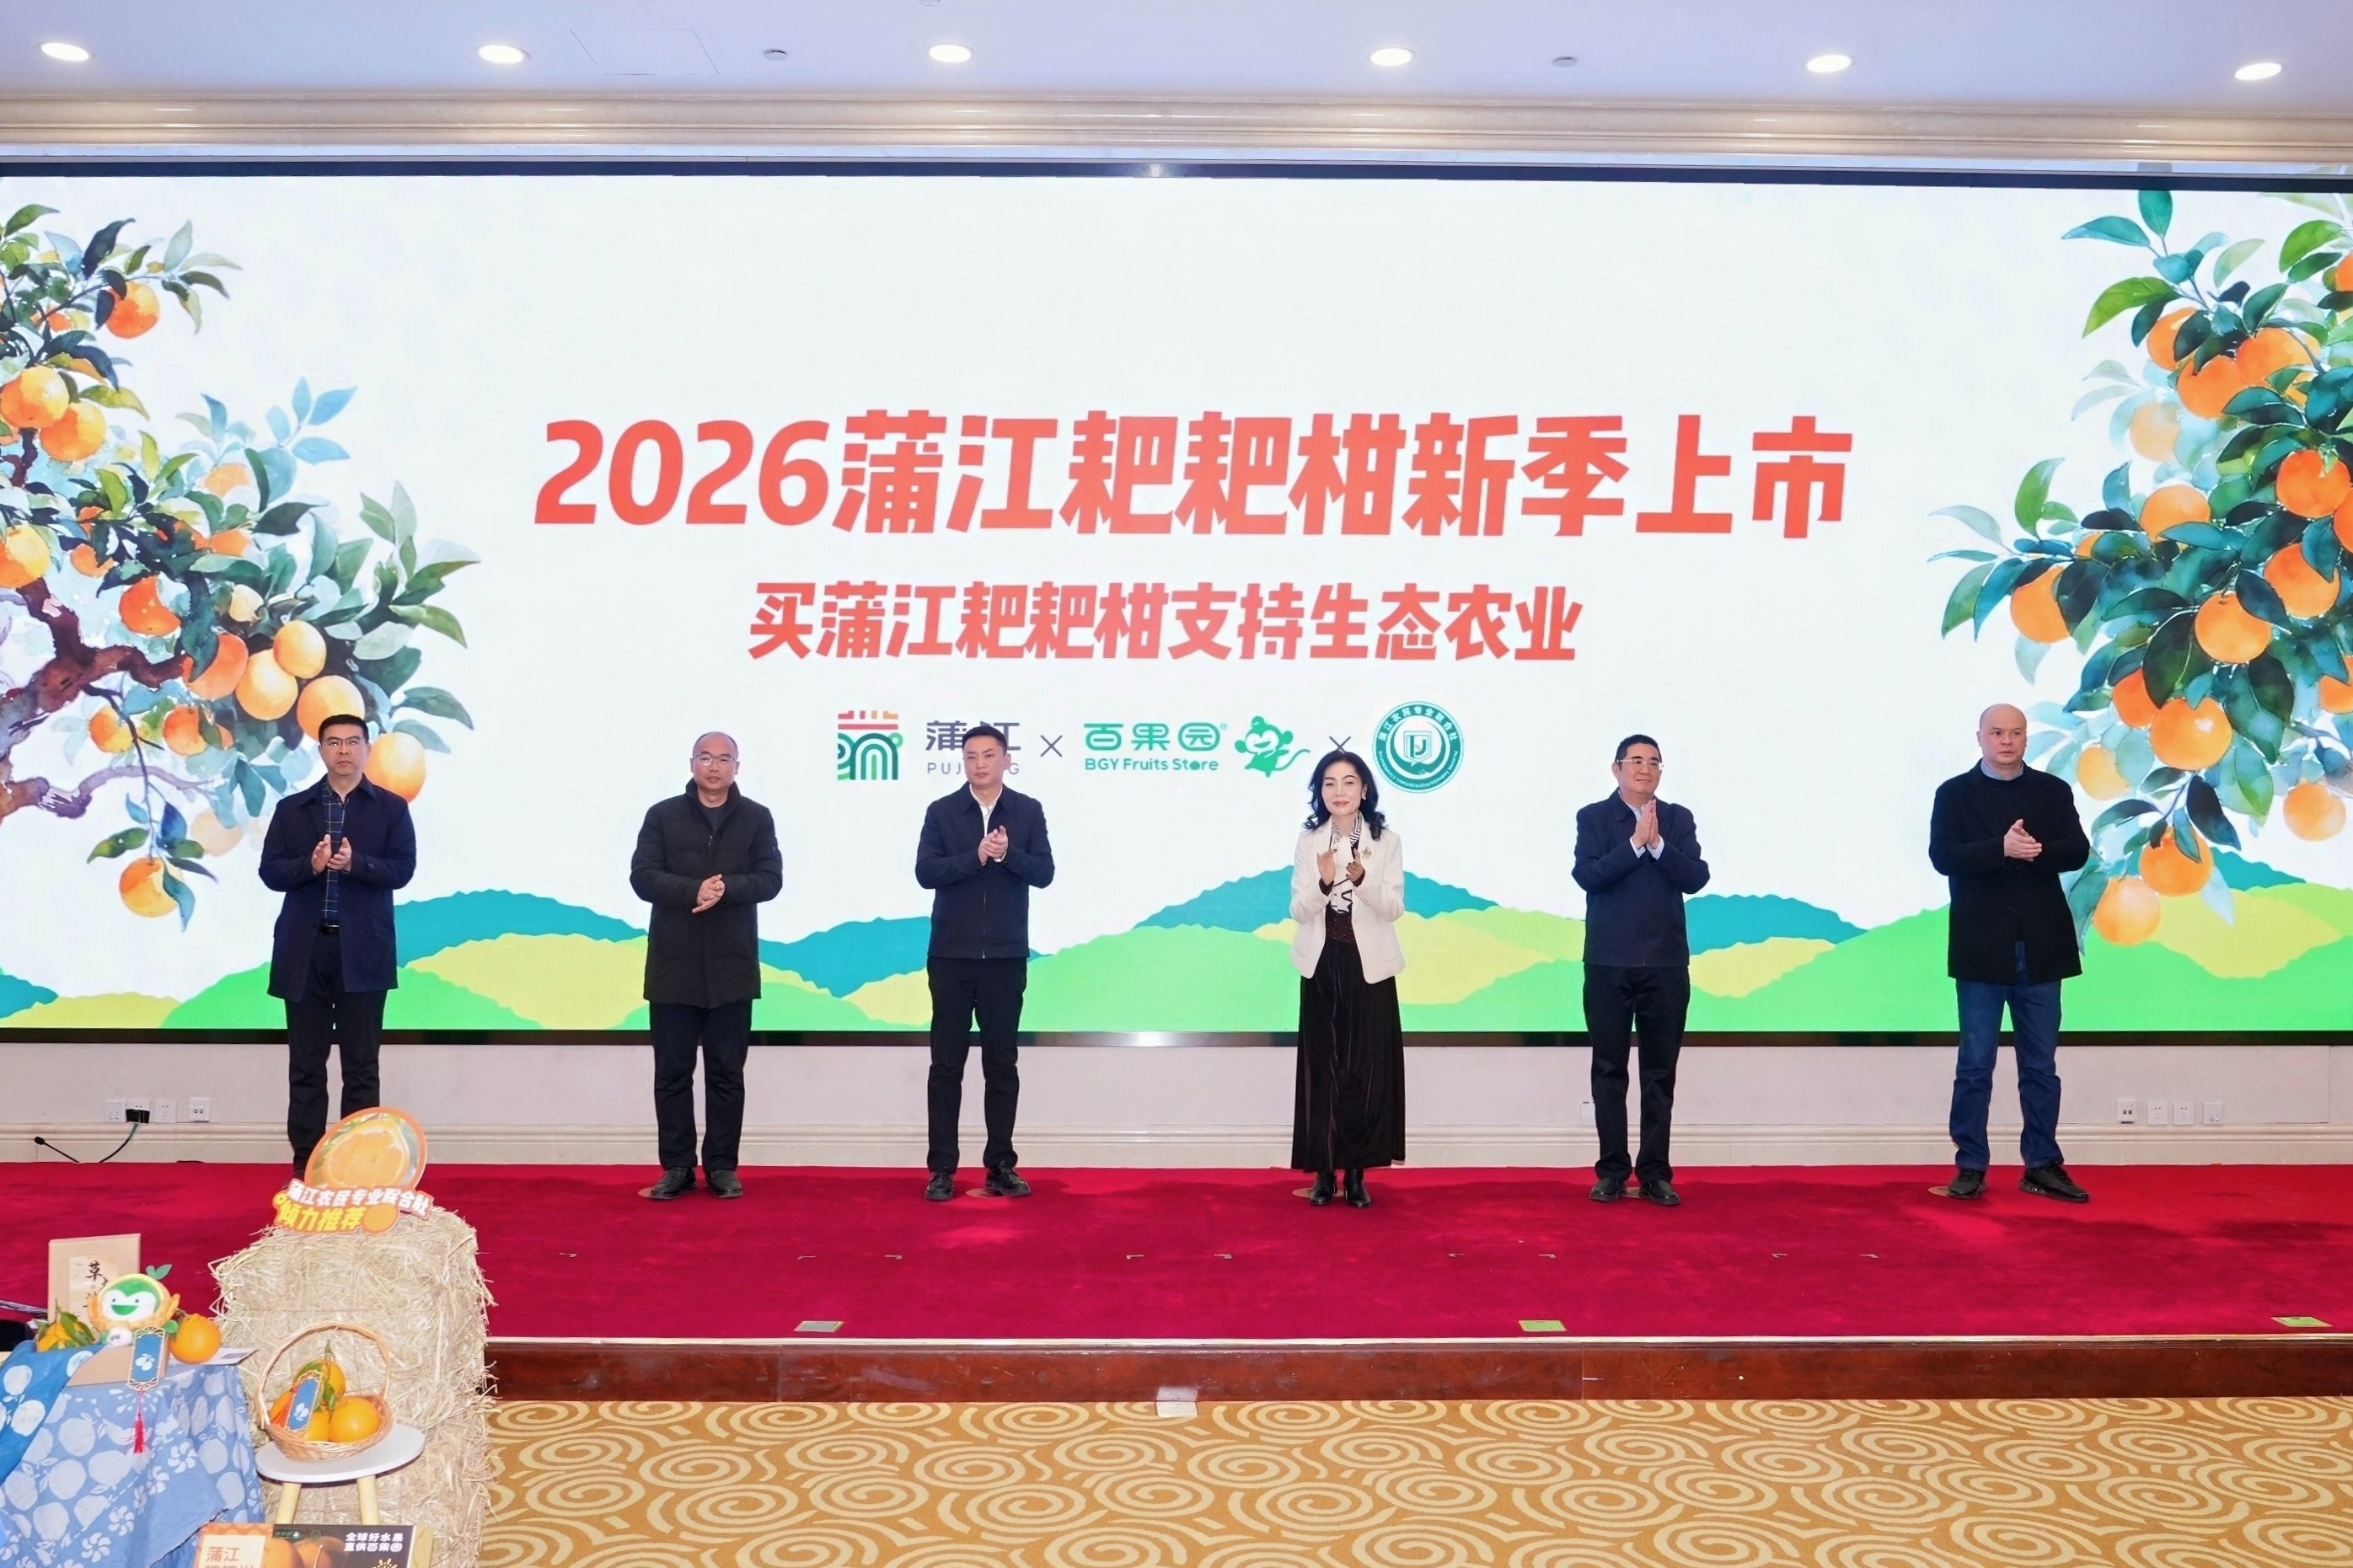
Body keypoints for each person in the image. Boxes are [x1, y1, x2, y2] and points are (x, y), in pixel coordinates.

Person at [1929, 704, 2093, 1203]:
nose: (2006, 741)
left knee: (2040, 1067)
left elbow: (2078, 850)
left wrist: (2033, 849)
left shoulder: (2052, 791)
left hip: (2041, 948)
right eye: (1997, 732)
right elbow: (1943, 857)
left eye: (2016, 733)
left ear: (2026, 738)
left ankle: (2042, 1164)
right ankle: (1970, 1165)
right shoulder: (1954, 793)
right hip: (1981, 950)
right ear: (1979, 737)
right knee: (1975, 1065)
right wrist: (1999, 848)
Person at [258, 713, 416, 1173]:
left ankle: (357, 1167)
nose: (343, 750)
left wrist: (356, 864)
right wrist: (309, 866)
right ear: (321, 750)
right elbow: (270, 872)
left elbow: (402, 869)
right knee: (306, 1066)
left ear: (367, 749)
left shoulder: (390, 808)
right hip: (304, 954)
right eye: (333, 742)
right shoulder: (293, 809)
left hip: (363, 953)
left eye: (352, 741)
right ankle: (306, 1166)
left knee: (361, 1067)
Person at [629, 732, 783, 1201]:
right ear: (692, 762)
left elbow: (771, 879)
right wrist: (692, 890)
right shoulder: (662, 815)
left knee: (726, 1074)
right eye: (706, 757)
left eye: (724, 758)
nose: (714, 766)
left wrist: (725, 889)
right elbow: (642, 876)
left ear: (737, 765)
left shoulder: (757, 817)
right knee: (672, 1074)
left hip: (732, 966)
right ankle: (677, 1167)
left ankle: (721, 1166)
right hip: (673, 965)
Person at [914, 725, 1054, 1201]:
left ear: (1006, 760)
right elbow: (926, 872)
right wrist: (974, 856)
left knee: (1001, 1063)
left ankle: (1000, 1165)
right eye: (971, 756)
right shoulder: (942, 811)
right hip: (950, 957)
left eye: (989, 755)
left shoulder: (1027, 810)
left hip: (1005, 957)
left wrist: (1008, 853)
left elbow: (1044, 872)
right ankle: (942, 1170)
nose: (980, 764)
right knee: (945, 1065)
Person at [1573, 735, 1709, 1207]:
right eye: (1635, 760)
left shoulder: (1678, 818)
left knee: (1659, 1073)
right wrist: (1634, 845)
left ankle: (1654, 1173)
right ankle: (1612, 1171)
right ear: (1617, 769)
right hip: (1608, 963)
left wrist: (1658, 846)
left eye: (1654, 761)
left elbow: (1696, 877)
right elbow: (1588, 876)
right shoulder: (1594, 818)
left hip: (1666, 965)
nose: (1645, 768)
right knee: (1609, 1070)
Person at [1288, 750, 1407, 1208]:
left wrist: (1361, 879)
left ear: (1364, 789)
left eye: (1349, 782)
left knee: (1365, 1071)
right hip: (1322, 964)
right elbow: (1298, 911)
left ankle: (1356, 1173)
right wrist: (1323, 884)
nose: (1339, 792)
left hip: (1368, 966)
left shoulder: (1386, 840)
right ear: (1320, 792)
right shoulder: (1308, 841)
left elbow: (1394, 908)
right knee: (1323, 1069)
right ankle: (1323, 1172)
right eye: (1329, 783)